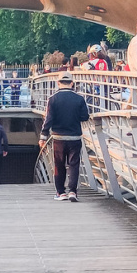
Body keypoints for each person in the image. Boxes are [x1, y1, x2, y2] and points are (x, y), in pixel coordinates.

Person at [38, 72, 90, 202]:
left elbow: (48, 119)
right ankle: (73, 191)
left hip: (58, 138)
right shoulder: (79, 98)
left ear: (58, 83)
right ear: (72, 83)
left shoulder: (53, 99)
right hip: (74, 137)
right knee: (74, 164)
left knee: (59, 165)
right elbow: (85, 117)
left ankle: (61, 192)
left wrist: (43, 136)